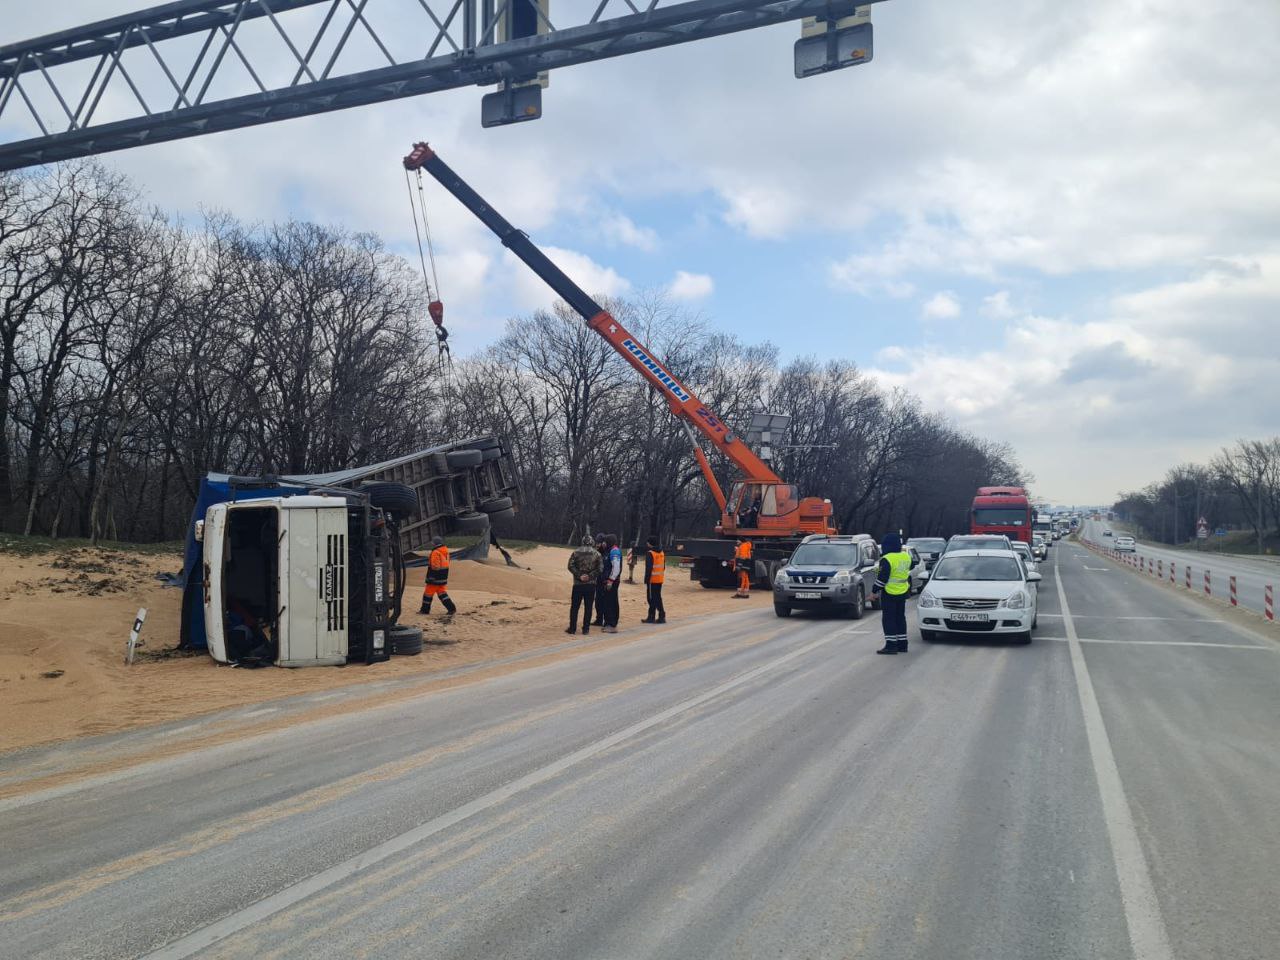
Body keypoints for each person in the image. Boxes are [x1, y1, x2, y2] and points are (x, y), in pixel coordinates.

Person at [869, 532, 912, 655]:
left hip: (890, 593)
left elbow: (882, 579)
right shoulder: (906, 556)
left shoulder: (887, 559)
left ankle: (891, 645)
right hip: (903, 592)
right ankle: (902, 645)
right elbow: (907, 568)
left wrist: (874, 591)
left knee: (889, 619)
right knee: (900, 618)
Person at [566, 535, 603, 635]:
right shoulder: (597, 554)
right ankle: (585, 629)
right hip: (590, 585)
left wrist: (579, 575)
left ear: (582, 541)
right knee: (588, 607)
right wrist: (590, 576)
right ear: (592, 542)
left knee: (575, 607)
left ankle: (572, 628)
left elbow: (570, 566)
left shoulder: (576, 552)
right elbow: (600, 569)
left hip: (578, 584)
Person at [420, 536, 457, 615]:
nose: (431, 543)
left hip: (434, 578)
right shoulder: (446, 551)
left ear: (435, 543)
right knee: (442, 593)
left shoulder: (435, 552)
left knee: (427, 594)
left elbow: (435, 566)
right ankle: (452, 608)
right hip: (443, 577)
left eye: (432, 542)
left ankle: (424, 610)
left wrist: (431, 577)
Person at [600, 533, 623, 633]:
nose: (603, 543)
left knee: (611, 602)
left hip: (611, 582)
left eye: (605, 541)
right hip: (608, 581)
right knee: (607, 602)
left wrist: (611, 580)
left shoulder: (614, 551)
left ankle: (612, 624)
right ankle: (608, 622)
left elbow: (616, 567)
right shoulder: (609, 550)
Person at [641, 535, 666, 624]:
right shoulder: (662, 552)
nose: (647, 543)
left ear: (650, 543)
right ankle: (659, 616)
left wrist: (646, 579)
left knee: (651, 598)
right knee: (657, 597)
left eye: (648, 542)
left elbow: (649, 568)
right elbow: (663, 567)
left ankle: (654, 616)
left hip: (652, 580)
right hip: (660, 579)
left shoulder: (650, 553)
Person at [591, 534, 608, 627]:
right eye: (596, 543)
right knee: (597, 600)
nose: (597, 545)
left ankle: (605, 620)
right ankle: (599, 619)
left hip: (604, 580)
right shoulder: (596, 552)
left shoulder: (606, 553)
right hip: (597, 580)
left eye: (599, 543)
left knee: (604, 600)